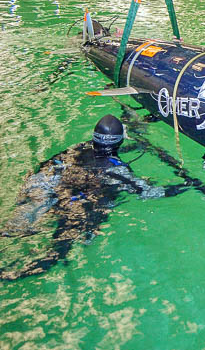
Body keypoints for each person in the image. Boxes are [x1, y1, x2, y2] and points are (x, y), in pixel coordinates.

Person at [0, 115, 188, 280]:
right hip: (82, 205)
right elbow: (147, 192)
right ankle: (13, 275)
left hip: (55, 189)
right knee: (59, 249)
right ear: (119, 141)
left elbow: (48, 170)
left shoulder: (77, 148)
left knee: (15, 227)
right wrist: (188, 186)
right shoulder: (117, 169)